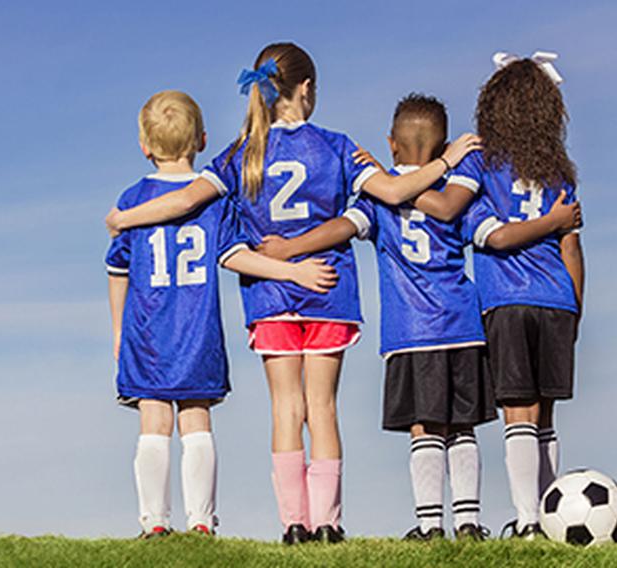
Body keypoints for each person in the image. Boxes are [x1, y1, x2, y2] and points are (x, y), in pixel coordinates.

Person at [104, 43, 479, 544]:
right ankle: (328, 523)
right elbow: (392, 193)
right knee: (322, 409)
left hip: (268, 296)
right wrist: (446, 161)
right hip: (328, 290)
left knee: (286, 410)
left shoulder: (240, 154)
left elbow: (187, 197)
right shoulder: (338, 145)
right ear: (306, 89)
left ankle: (293, 525)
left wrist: (125, 218)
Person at [257, 93, 576, 541]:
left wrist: (289, 248)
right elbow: (491, 234)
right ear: (444, 145)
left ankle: (429, 525)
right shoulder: (459, 199)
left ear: (391, 144)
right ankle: (468, 522)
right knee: (462, 426)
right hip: (464, 327)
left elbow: (340, 229)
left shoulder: (379, 200)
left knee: (424, 428)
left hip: (411, 333)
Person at [106, 90, 339, 539]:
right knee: (196, 418)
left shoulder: (133, 200)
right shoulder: (213, 201)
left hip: (148, 334)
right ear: (203, 140)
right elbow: (237, 256)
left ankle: (154, 522)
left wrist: (118, 330)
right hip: (198, 332)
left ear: (144, 146)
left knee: (154, 420)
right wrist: (291, 271)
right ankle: (201, 522)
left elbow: (118, 271)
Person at [453, 52, 585, 539]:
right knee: (545, 413)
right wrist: (576, 309)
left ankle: (530, 519)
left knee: (520, 414)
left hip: (507, 302)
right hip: (556, 301)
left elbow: (497, 238)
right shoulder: (558, 174)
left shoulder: (483, 168)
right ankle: (551, 521)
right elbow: (572, 248)